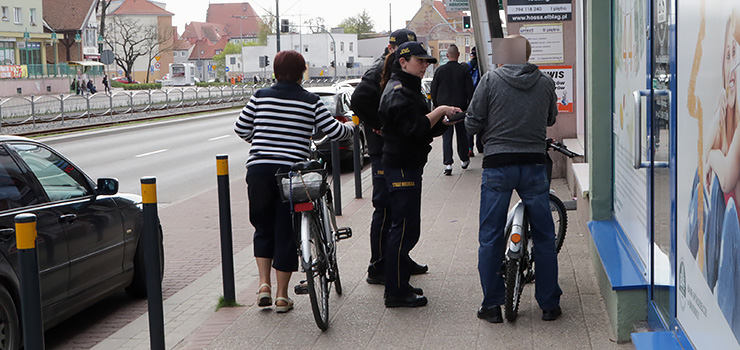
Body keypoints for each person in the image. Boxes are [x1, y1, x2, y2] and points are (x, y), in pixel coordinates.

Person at [234, 50, 354, 314]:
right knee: (285, 230)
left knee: (262, 227)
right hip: (291, 173)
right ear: (302, 72)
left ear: (275, 71)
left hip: (259, 169)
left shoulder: (260, 96)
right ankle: (281, 296)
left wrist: (263, 142)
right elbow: (333, 131)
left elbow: (241, 128)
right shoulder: (310, 100)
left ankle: (263, 285)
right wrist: (352, 128)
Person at [466, 35, 561, 322]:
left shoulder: (490, 81)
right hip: (533, 164)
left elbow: (472, 121)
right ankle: (549, 305)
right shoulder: (545, 83)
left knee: (491, 236)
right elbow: (551, 119)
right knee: (544, 235)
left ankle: (492, 305)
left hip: (498, 166)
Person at [378, 41, 462, 307]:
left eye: (427, 62)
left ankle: (400, 283)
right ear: (403, 62)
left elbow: (422, 127)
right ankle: (395, 292)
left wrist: (443, 122)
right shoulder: (399, 91)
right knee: (403, 229)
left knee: (406, 227)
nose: (425, 66)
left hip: (408, 162)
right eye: (420, 61)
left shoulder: (409, 88)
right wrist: (439, 111)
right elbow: (415, 128)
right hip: (401, 164)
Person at [351, 29, 429, 286]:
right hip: (384, 150)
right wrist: (380, 124)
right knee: (385, 209)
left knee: (399, 213)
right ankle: (380, 265)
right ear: (392, 48)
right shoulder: (379, 70)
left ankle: (398, 259)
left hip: (394, 148)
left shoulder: (396, 72)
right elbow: (359, 99)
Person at [700, 11, 740, 341]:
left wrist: (715, 156)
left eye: (737, 52)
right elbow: (705, 166)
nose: (733, 65)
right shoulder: (726, 111)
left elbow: (726, 176)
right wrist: (721, 110)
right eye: (728, 54)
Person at [431, 44, 475, 175]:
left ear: (447, 55)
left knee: (447, 136)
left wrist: (437, 106)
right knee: (462, 134)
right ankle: (464, 159)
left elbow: (434, 90)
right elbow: (470, 90)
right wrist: (468, 107)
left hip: (444, 109)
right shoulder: (463, 70)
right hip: (460, 109)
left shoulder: (439, 71)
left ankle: (448, 164)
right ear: (459, 55)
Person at [467, 46, 484, 157]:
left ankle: (471, 147)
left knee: (472, 121)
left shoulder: (471, 67)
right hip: (478, 96)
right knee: (480, 120)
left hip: (471, 97)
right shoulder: (478, 67)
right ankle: (478, 146)